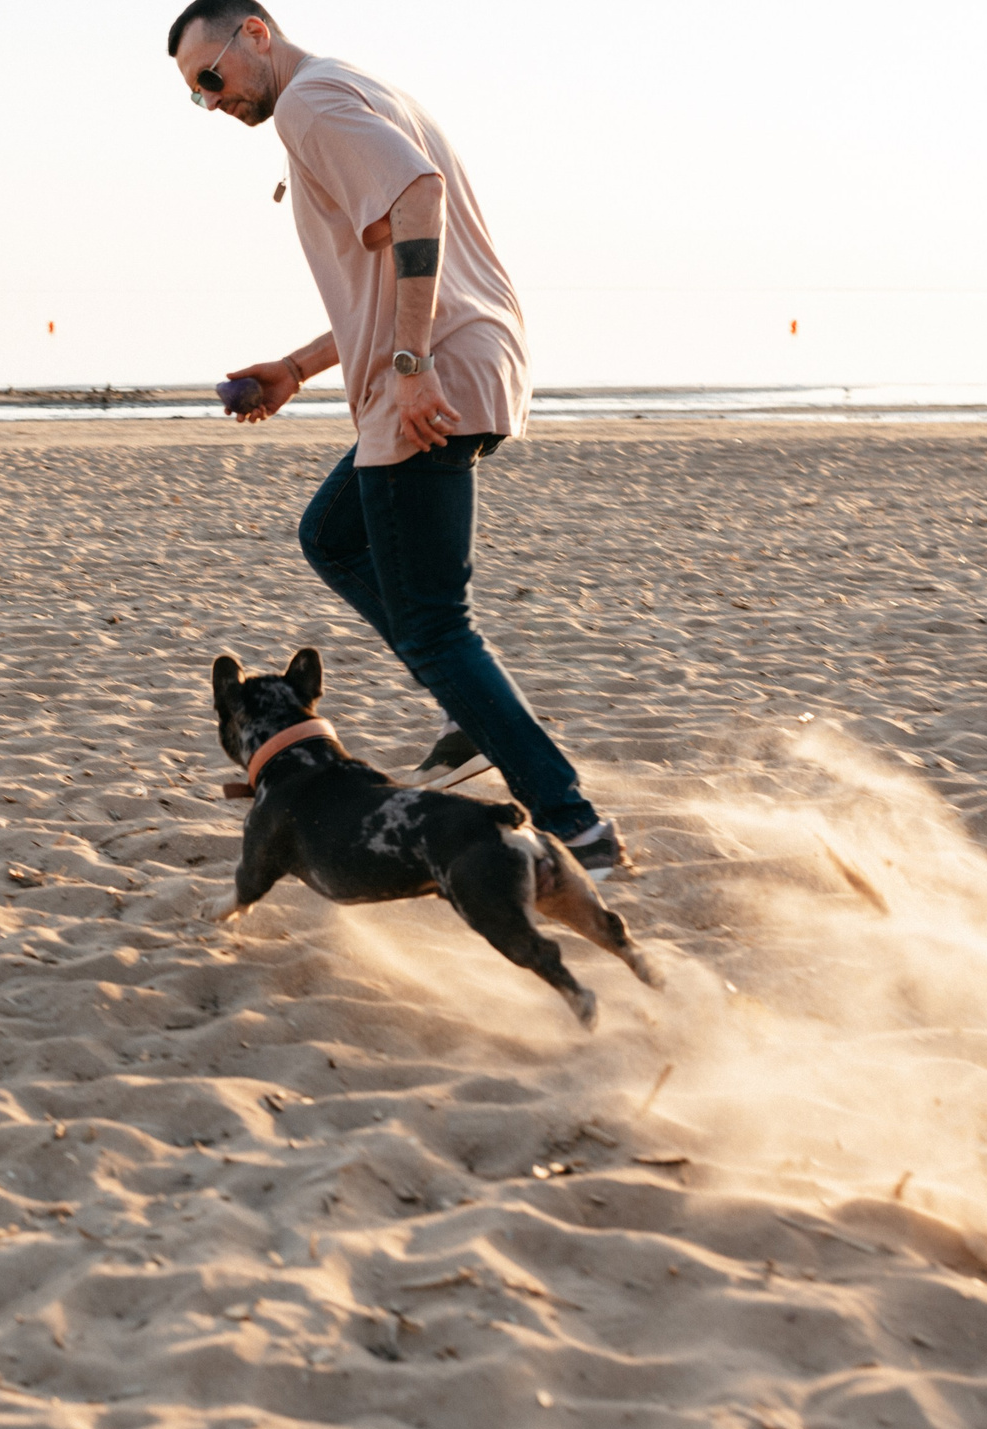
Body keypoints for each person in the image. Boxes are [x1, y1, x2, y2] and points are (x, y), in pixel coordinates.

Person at [167, 0, 627, 876]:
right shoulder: (352, 89)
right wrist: (299, 369)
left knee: (435, 625)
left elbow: (420, 198)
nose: (214, 102)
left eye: (213, 78)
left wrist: (411, 364)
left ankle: (579, 829)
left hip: (432, 377)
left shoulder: (310, 102)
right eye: (197, 96)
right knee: (331, 537)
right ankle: (468, 712)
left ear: (254, 33)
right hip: (455, 365)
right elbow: (384, 266)